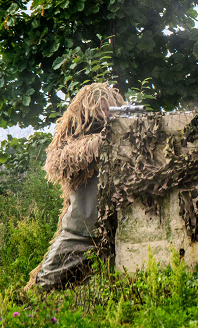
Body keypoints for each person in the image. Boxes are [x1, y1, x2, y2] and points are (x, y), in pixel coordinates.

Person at [25, 83, 125, 291]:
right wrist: (99, 141)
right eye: (99, 108)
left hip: (118, 230)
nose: (104, 112)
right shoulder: (74, 136)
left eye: (107, 107)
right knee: (44, 283)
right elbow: (59, 161)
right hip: (81, 231)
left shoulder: (123, 135)